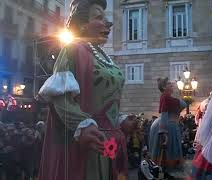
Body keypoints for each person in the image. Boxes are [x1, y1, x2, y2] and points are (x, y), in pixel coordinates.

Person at [37, 0, 137, 180]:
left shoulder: (103, 56)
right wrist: (83, 125)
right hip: (89, 145)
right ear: (82, 24)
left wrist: (120, 120)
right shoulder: (72, 50)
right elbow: (60, 97)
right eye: (99, 17)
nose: (108, 23)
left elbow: (104, 98)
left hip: (110, 143)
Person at [149, 77, 187, 176]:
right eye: (169, 84)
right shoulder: (165, 97)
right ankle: (166, 172)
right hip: (168, 125)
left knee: (168, 152)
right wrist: (164, 133)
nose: (172, 85)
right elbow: (164, 113)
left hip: (170, 124)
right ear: (164, 87)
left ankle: (166, 171)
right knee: (168, 152)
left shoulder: (167, 97)